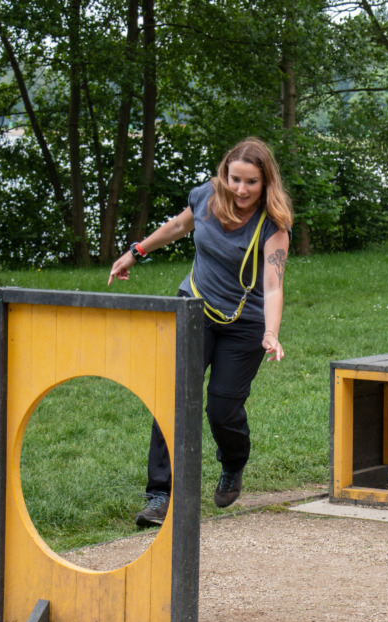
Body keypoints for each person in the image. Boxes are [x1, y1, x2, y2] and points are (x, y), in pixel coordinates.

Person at [108, 137, 293, 526]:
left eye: (251, 182)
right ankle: (160, 495)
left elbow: (273, 285)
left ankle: (233, 462)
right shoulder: (207, 196)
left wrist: (271, 333)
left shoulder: (273, 225)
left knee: (222, 409)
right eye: (234, 179)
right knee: (172, 398)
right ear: (224, 175)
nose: (240, 190)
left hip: (245, 325)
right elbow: (178, 224)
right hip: (194, 308)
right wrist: (135, 252)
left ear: (266, 183)